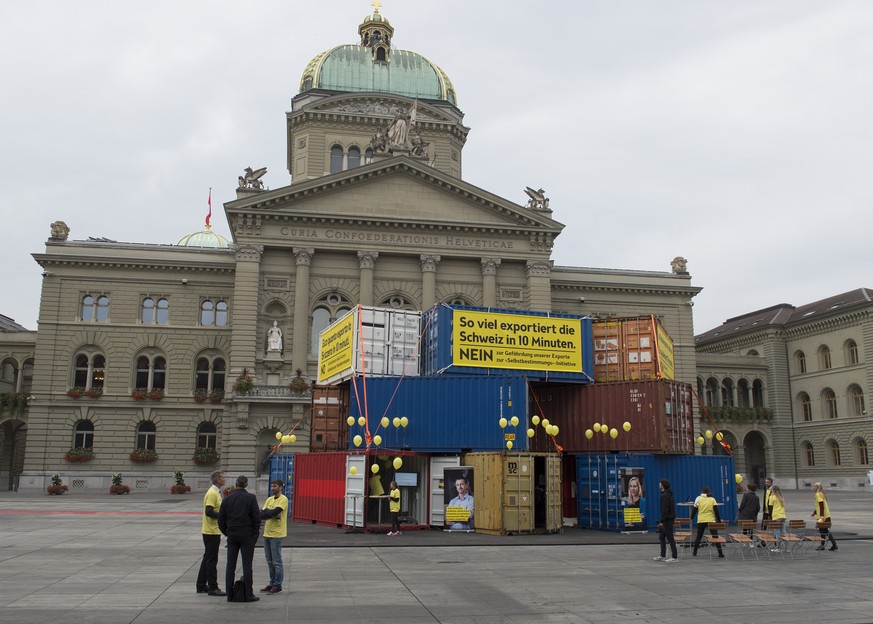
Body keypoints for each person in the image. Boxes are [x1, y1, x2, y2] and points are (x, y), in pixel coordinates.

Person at [218, 475, 261, 602]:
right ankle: (248, 594)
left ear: (236, 484)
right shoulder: (251, 498)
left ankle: (230, 594)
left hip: (232, 534)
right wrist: (254, 534)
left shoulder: (227, 499)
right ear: (246, 484)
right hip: (247, 534)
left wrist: (226, 532)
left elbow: (221, 519)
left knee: (230, 565)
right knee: (247, 565)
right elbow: (256, 518)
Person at [196, 470, 227, 596]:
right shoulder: (213, 493)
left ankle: (201, 585)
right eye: (223, 477)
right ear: (217, 480)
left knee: (207, 558)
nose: (225, 479)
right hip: (211, 531)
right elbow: (209, 511)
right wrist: (223, 516)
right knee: (212, 560)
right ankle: (213, 587)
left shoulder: (216, 492)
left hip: (212, 530)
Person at [259, 479, 288, 594]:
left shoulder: (283, 499)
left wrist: (269, 512)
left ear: (280, 487)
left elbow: (274, 512)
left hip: (277, 533)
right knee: (269, 560)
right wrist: (269, 513)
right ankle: (271, 582)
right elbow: (262, 514)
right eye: (271, 486)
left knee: (276, 560)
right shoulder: (269, 499)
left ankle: (277, 584)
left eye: (275, 486)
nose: (272, 488)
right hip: (267, 532)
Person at [691, 486, 724, 558]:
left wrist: (691, 517)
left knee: (699, 536)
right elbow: (716, 510)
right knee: (715, 536)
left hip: (701, 520)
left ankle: (694, 552)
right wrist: (719, 520)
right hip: (711, 520)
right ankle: (720, 553)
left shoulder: (698, 498)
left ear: (702, 492)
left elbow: (694, 510)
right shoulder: (712, 499)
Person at [653, 479, 678, 562]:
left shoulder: (665, 496)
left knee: (670, 537)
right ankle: (662, 555)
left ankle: (674, 557)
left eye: (660, 483)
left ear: (663, 485)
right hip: (668, 518)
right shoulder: (669, 494)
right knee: (662, 537)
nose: (659, 484)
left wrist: (661, 520)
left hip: (667, 519)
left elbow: (665, 509)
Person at [809, 482, 838, 551]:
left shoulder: (818, 494)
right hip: (826, 515)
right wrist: (814, 512)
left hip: (823, 517)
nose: (813, 488)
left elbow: (821, 506)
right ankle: (832, 545)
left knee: (823, 530)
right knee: (824, 531)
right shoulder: (822, 494)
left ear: (818, 488)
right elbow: (820, 506)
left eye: (815, 487)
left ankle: (825, 545)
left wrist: (821, 516)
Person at [767, 484, 787, 551]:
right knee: (784, 532)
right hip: (783, 515)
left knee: (777, 532)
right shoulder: (781, 497)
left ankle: (777, 548)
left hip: (776, 516)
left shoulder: (772, 497)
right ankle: (786, 548)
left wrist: (769, 516)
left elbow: (770, 507)